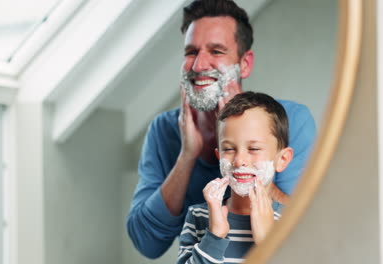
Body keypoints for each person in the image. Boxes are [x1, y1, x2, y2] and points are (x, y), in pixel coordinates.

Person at [127, 0, 316, 259]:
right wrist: (187, 156)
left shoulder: (291, 120)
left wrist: (236, 130)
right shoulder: (164, 130)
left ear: (245, 64)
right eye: (191, 52)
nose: (198, 65)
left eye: (216, 51)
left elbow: (308, 222)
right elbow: (147, 244)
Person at [177, 91, 293, 264]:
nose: (239, 161)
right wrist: (215, 236)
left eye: (253, 149)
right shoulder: (199, 216)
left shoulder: (293, 221)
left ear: (282, 159)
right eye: (229, 149)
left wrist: (268, 242)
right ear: (218, 156)